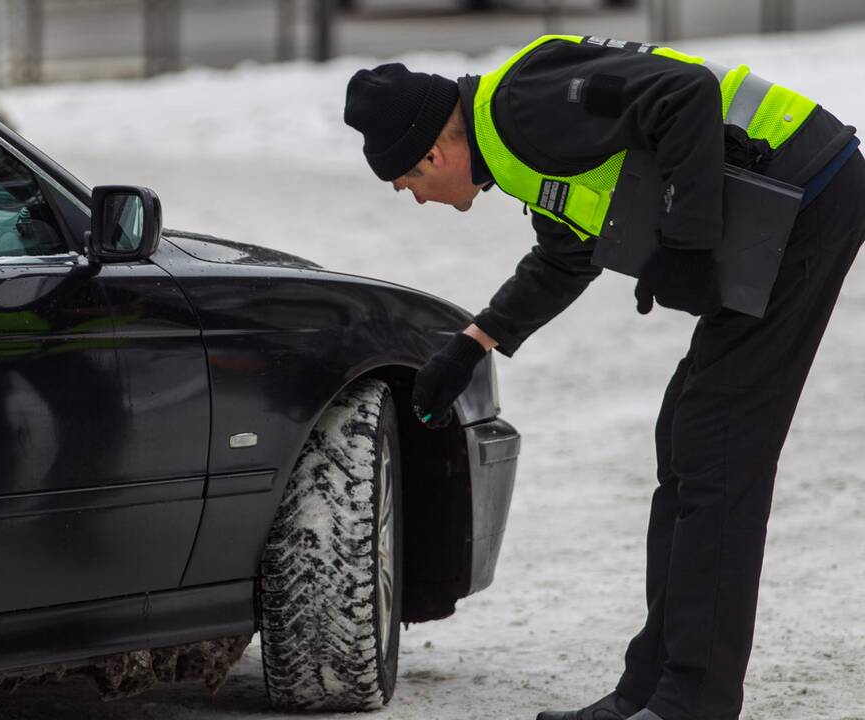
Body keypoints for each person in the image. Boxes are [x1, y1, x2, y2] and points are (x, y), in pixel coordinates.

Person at [343, 34, 864, 720]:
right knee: (685, 439)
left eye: (404, 182)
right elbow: (566, 256)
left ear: (432, 154)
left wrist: (686, 243)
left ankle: (693, 701)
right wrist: (470, 346)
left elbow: (684, 95)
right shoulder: (516, 144)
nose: (412, 197)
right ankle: (647, 688)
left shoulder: (523, 110)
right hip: (784, 205)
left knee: (718, 448)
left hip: (809, 196)